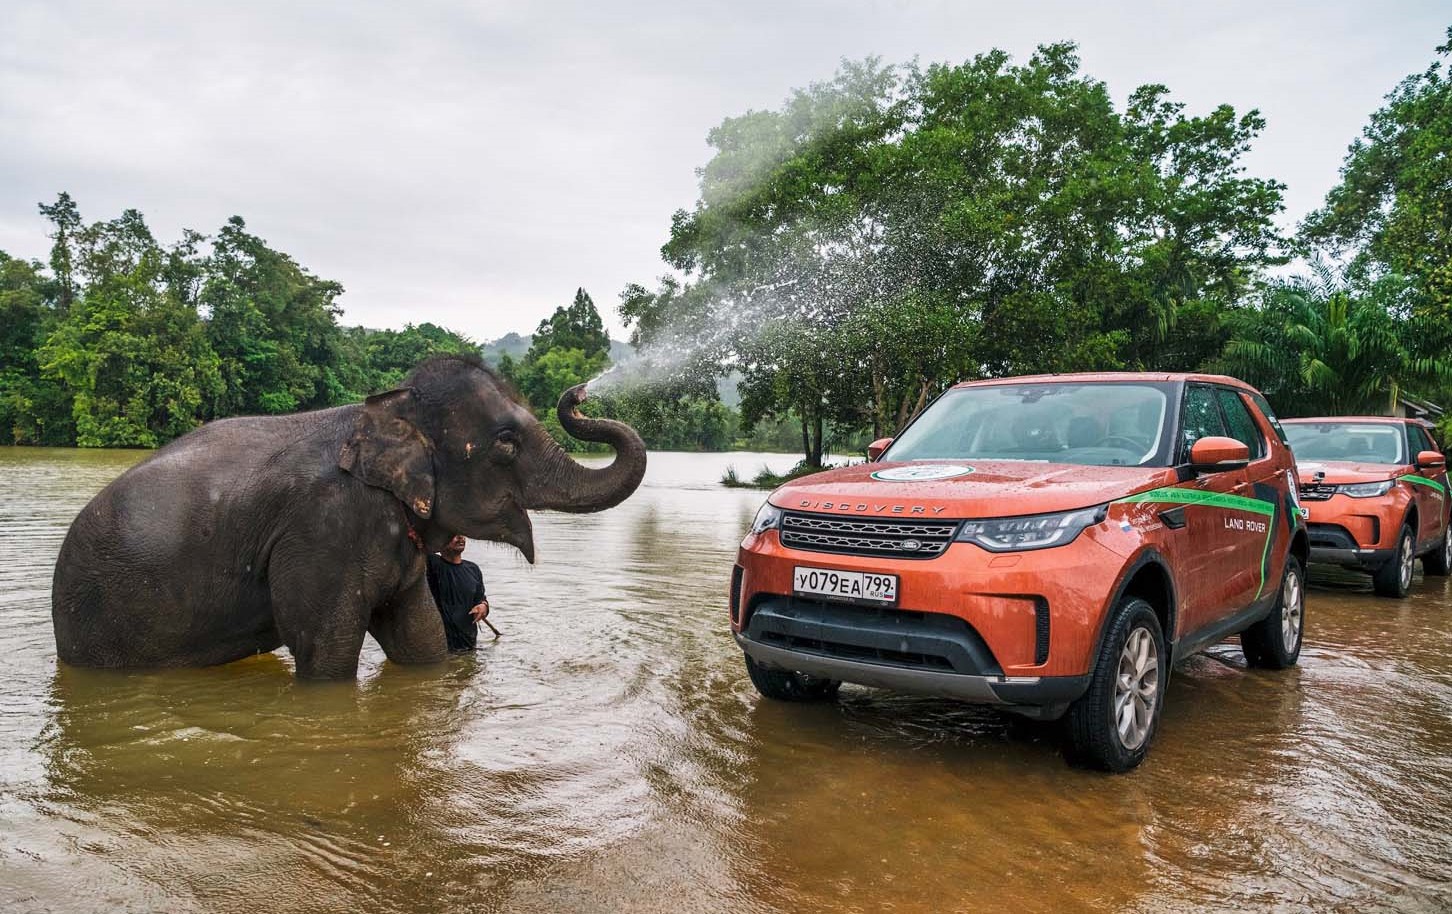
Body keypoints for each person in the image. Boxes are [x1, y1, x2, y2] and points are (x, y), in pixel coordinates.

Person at [425, 534, 490, 652]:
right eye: (452, 534)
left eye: (461, 534)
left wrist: (483, 606)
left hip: (468, 645)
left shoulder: (473, 569)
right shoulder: (431, 563)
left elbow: (480, 599)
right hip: (441, 647)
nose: (460, 537)